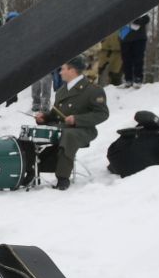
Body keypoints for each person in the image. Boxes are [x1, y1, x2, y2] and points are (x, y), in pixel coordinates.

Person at [33, 56, 109, 190]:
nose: (60, 72)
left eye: (63, 69)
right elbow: (56, 113)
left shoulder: (93, 90)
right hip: (62, 127)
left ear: (72, 70)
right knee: (32, 134)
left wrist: (77, 120)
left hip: (83, 129)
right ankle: (30, 170)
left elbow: (102, 114)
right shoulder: (62, 90)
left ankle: (63, 179)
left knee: (68, 136)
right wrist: (44, 118)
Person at [118, 13, 151, 87]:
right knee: (126, 60)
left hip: (139, 38)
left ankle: (138, 79)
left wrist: (134, 21)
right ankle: (128, 79)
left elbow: (146, 19)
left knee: (138, 59)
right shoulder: (121, 9)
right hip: (125, 37)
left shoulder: (139, 8)